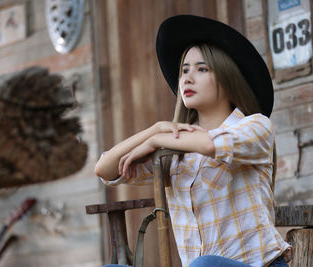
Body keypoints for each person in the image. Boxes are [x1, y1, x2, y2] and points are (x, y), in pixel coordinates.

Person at [95, 15, 291, 267]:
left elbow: (211, 145)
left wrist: (157, 140)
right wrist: (154, 130)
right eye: (184, 70)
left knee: (204, 264)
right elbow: (105, 169)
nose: (187, 78)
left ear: (227, 78)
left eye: (201, 69)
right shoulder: (176, 154)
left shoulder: (255, 126)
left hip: (258, 264)